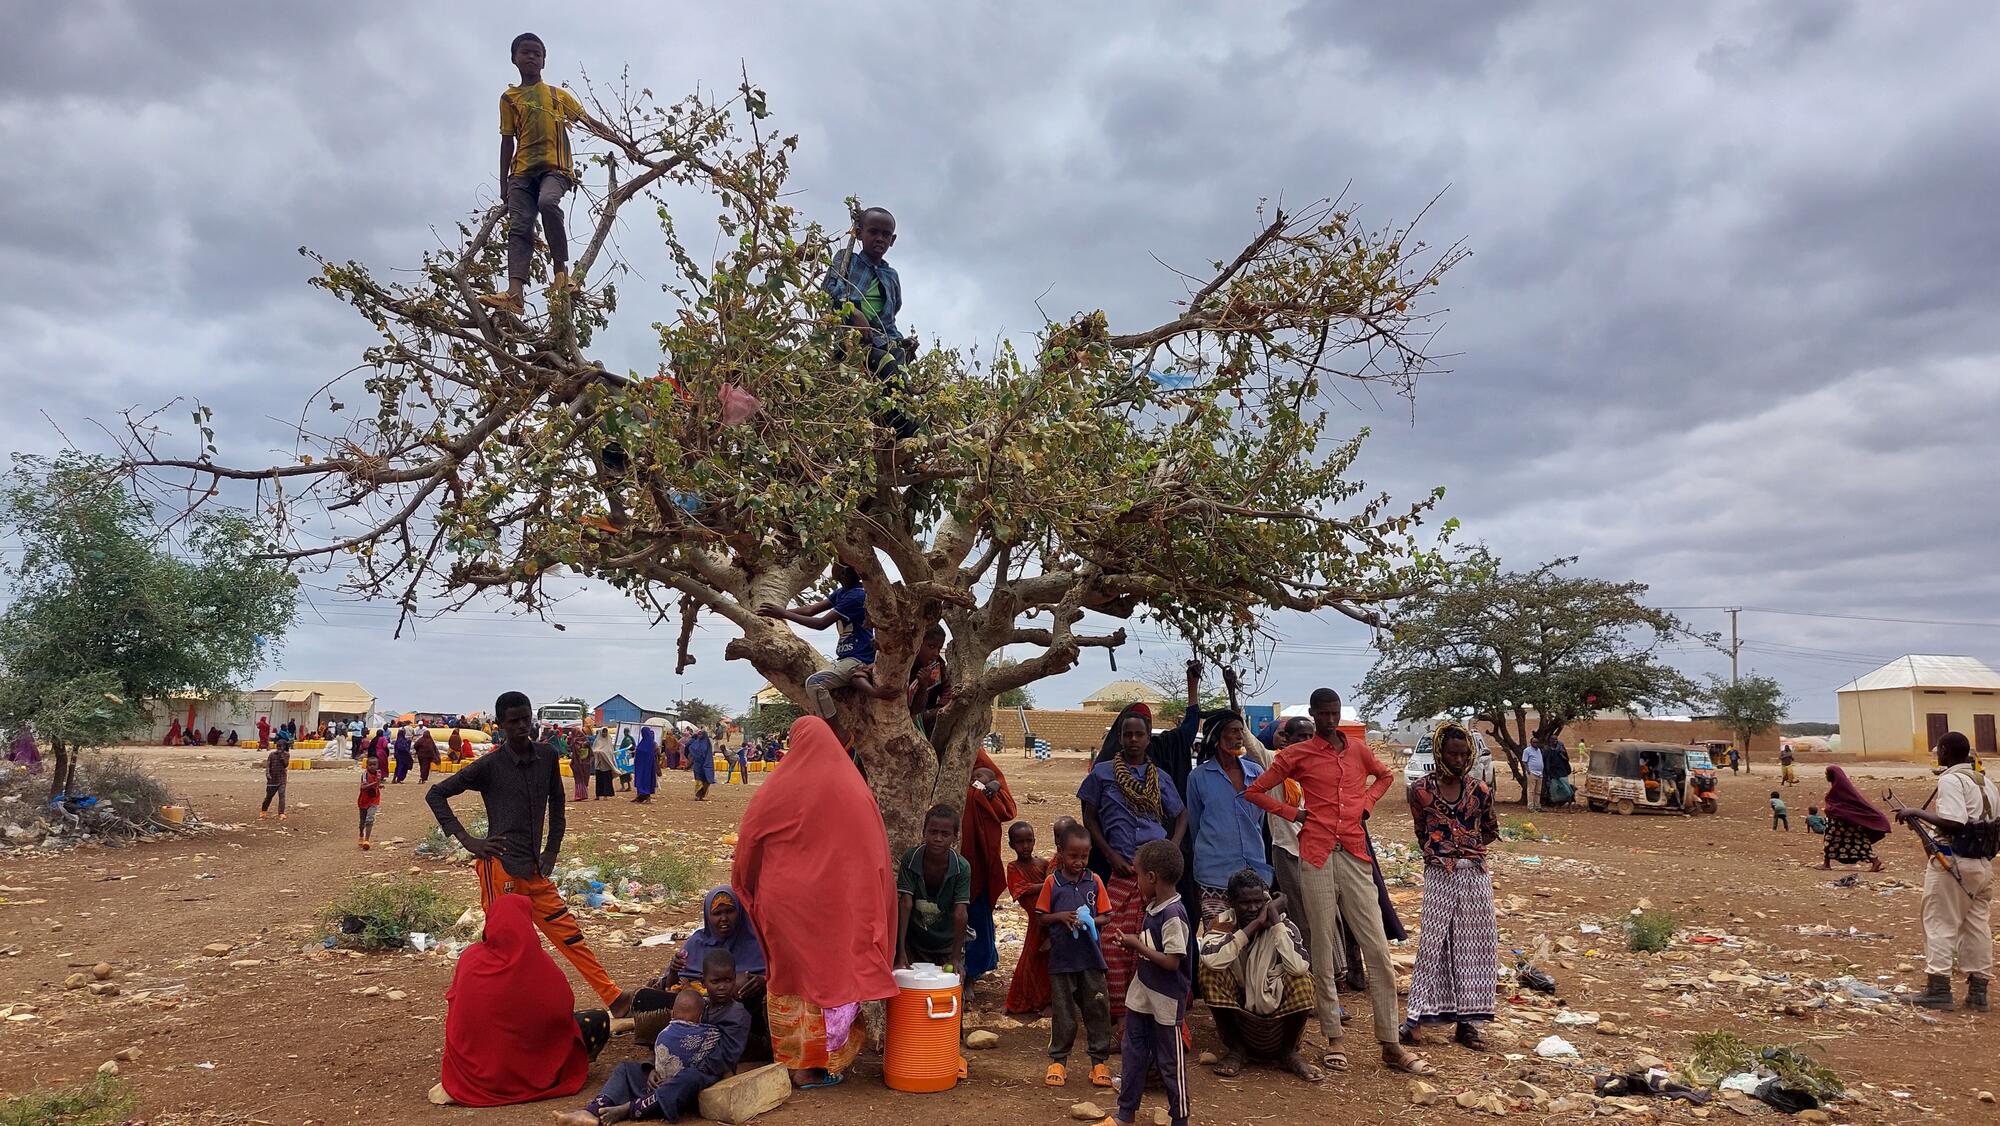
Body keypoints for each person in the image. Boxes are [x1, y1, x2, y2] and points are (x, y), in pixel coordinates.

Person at [1243, 688, 1431, 1077]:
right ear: (1313, 715)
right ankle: (1334, 1038)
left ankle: (1390, 1044)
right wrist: (1294, 813)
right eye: (1323, 715)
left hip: (1356, 856)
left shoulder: (1359, 750)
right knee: (1322, 946)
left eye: (1334, 713)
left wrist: (1366, 804)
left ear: (1338, 713)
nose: (1329, 720)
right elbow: (1255, 791)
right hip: (1315, 856)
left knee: (1377, 949)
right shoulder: (1297, 754)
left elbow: (1384, 775)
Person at [425, 690, 629, 1014]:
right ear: (501, 725)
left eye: (526, 718)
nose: (522, 726)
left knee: (569, 934)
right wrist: (468, 840)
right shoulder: (489, 766)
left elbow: (558, 803)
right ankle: (491, 1012)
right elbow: (436, 794)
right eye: (513, 721)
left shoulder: (546, 757)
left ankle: (614, 999)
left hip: (535, 869)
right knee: (504, 948)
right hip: (500, 870)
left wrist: (552, 851)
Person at [731, 716, 896, 1088]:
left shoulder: (778, 788)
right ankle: (826, 1064)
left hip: (784, 905)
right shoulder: (855, 790)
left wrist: (752, 887)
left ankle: (795, 1064)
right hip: (840, 908)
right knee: (834, 977)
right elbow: (875, 857)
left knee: (791, 979)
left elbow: (750, 844)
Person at [477, 33, 627, 317]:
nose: (531, 57)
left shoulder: (558, 96)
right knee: (520, 227)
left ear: (544, 61)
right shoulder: (509, 98)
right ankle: (514, 294)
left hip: (556, 170)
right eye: (526, 53)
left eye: (537, 54)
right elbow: (507, 141)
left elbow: (589, 123)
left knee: (547, 203)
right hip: (520, 173)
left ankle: (561, 274)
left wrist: (624, 144)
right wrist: (503, 186)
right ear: (514, 59)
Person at [434, 894, 611, 1108]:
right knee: (597, 1020)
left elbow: (457, 1006)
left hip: (474, 1075)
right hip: (533, 1068)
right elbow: (562, 1009)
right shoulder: (539, 963)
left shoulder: (470, 959)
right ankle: (548, 1069)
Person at [1079, 702, 1188, 1026]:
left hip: (1157, 874)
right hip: (1123, 870)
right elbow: (1089, 816)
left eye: (1139, 734)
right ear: (1120, 737)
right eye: (1127, 734)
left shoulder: (1160, 777)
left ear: (1147, 739)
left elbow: (1180, 814)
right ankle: (1117, 1016)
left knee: (1153, 943)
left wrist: (1171, 848)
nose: (1133, 740)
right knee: (1114, 945)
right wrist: (1111, 855)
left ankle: (1149, 1017)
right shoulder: (1102, 774)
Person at [1400, 723, 1500, 1051]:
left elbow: (1489, 830)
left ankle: (1467, 1025)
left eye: (1463, 753)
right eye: (1452, 753)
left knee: (1474, 948)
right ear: (1440, 752)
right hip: (1439, 874)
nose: (1458, 759)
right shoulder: (1420, 790)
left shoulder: (1480, 791)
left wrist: (1463, 850)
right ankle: (1414, 1021)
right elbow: (1420, 831)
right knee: (1433, 944)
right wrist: (1442, 854)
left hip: (1474, 874)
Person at [558, 955, 749, 1126]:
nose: (723, 986)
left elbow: (724, 1057)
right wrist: (655, 1067)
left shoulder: (737, 1014)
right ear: (704, 982)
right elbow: (672, 1039)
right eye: (716, 981)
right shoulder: (700, 1005)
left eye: (728, 980)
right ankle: (592, 1110)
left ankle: (630, 1109)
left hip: (707, 1076)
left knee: (685, 1080)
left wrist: (678, 1072)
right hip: (675, 1071)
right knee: (626, 1070)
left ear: (735, 979)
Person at [1890, 731, 2000, 1010]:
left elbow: (1955, 822)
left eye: (1939, 750)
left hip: (1953, 862)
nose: (1937, 754)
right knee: (1977, 926)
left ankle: (1938, 989)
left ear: (1946, 752)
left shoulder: (1950, 780)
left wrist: (1916, 812)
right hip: (1983, 865)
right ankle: (1978, 993)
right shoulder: (1987, 782)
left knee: (1940, 922)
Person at [1099, 839, 1192, 1126]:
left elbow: (1172, 961)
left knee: (1170, 1063)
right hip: (1142, 995)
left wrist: (1137, 946)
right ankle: (1125, 1113)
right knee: (1133, 1053)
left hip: (1165, 1000)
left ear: (1151, 877)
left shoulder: (1173, 915)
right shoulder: (1154, 907)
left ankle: (1180, 1118)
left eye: (1138, 875)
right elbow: (1155, 949)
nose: (1136, 881)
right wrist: (1135, 944)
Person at [1197, 868, 1320, 1082]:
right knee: (1208, 973)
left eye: (1258, 902)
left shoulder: (1282, 925)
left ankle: (1288, 1052)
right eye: (1245, 903)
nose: (1253, 908)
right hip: (1238, 1003)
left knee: (1303, 981)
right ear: (1231, 902)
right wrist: (1254, 926)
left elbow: (1299, 967)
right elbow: (1211, 960)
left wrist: (1274, 921)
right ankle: (1237, 1049)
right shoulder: (1222, 923)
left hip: (1273, 1004)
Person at [631, 887, 769, 1059]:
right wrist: (674, 970)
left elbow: (780, 979)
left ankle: (746, 1047)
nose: (724, 919)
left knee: (742, 988)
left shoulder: (757, 943)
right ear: (707, 916)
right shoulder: (696, 942)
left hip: (736, 1013)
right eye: (717, 913)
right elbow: (670, 986)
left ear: (740, 912)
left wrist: (764, 982)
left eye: (730, 911)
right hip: (695, 1010)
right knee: (644, 998)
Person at [758, 564, 901, 724]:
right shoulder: (843, 592)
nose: (832, 566)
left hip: (858, 658)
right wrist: (779, 613)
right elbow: (811, 610)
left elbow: (821, 623)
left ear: (843, 572)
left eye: (836, 564)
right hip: (847, 657)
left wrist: (784, 614)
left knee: (814, 683)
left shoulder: (856, 596)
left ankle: (834, 731)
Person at [822, 206, 918, 440]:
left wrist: (903, 344)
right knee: (888, 369)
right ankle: (906, 436)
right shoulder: (847, 260)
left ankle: (902, 436)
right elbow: (829, 291)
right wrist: (854, 313)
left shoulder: (891, 276)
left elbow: (891, 315)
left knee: (900, 384)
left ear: (892, 240)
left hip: (885, 339)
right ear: (858, 233)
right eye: (873, 232)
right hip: (853, 343)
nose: (879, 239)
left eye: (886, 235)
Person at [1036, 824, 1115, 1089]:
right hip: (1062, 961)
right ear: (1060, 853)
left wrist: (1091, 920)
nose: (1079, 862)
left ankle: (1099, 1062)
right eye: (1073, 856)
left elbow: (1107, 914)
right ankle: (1059, 1061)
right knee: (1063, 1012)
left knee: (1097, 1009)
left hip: (1091, 960)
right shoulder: (1052, 883)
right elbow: (1041, 917)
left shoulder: (1095, 881)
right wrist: (1061, 917)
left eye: (1084, 856)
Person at [1186, 710, 1273, 922]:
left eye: (1240, 732)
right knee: (1220, 942)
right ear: (1216, 737)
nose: (1239, 737)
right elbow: (1195, 825)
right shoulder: (1198, 777)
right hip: (1214, 874)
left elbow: (1259, 821)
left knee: (1257, 941)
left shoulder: (1256, 773)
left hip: (1254, 873)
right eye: (1233, 732)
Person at [962, 750, 1018, 990]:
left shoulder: (978, 758)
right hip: (941, 852)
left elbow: (1006, 808)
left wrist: (987, 789)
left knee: (974, 911)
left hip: (977, 856)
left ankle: (972, 973)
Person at [896, 804, 972, 971]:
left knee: (948, 990)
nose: (938, 838)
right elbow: (905, 903)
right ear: (924, 832)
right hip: (914, 943)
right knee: (911, 991)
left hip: (947, 944)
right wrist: (899, 951)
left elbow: (960, 913)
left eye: (945, 834)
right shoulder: (911, 859)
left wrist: (955, 957)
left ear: (955, 837)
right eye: (933, 832)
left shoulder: (961, 867)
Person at [1004, 821, 1053, 1015]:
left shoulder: (1043, 864)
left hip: (1051, 918)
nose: (1025, 846)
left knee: (1050, 963)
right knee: (1029, 961)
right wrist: (1047, 885)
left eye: (1029, 841)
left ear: (1034, 841)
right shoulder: (1013, 867)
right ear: (1011, 845)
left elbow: (1056, 882)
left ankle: (1049, 1002)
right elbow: (1019, 890)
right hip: (1036, 921)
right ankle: (1017, 1002)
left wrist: (1044, 885)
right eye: (1020, 842)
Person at [1820, 765, 1889, 871]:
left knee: (1831, 840)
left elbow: (1843, 806)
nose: (1825, 776)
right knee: (1857, 841)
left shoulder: (1840, 790)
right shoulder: (1840, 788)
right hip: (1844, 821)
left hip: (1841, 822)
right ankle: (1874, 860)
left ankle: (1826, 864)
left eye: (1826, 774)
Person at [909, 622, 953, 738]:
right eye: (931, 646)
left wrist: (940, 709)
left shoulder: (937, 665)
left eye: (939, 648)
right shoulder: (904, 666)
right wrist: (923, 685)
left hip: (929, 713)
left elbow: (947, 688)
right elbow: (914, 710)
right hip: (910, 717)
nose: (935, 653)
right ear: (917, 643)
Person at [357, 753, 383, 850]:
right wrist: (375, 783)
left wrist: (379, 785)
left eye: (374, 765)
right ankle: (361, 835)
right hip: (363, 800)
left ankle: (367, 840)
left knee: (370, 819)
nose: (372, 767)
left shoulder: (378, 774)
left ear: (377, 765)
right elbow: (363, 786)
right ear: (366, 765)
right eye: (370, 765)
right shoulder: (365, 774)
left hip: (374, 800)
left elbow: (377, 784)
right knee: (362, 822)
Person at [260, 738, 289, 821]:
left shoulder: (286, 755)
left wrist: (281, 756)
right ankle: (263, 810)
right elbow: (268, 765)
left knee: (282, 795)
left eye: (281, 747)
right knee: (269, 796)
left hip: (282, 778)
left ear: (284, 747)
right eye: (278, 746)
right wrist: (267, 774)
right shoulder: (272, 754)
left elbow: (285, 765)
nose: (279, 748)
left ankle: (281, 813)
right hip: (272, 779)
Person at [686, 727, 715, 800]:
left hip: (705, 764)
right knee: (699, 780)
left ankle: (701, 795)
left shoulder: (706, 743)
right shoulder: (697, 743)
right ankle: (698, 795)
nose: (699, 736)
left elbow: (707, 753)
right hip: (699, 764)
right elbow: (691, 749)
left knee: (706, 780)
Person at [633, 724, 659, 804]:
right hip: (641, 766)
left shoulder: (649, 744)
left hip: (646, 767)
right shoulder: (644, 743)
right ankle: (639, 797)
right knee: (640, 780)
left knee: (645, 781)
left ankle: (647, 798)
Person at [1521, 734, 1544, 813]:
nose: (1536, 744)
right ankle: (1530, 807)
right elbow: (1524, 761)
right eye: (1534, 742)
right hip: (1532, 773)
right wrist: (1528, 771)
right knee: (1531, 791)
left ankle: (1537, 806)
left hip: (1539, 773)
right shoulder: (1527, 750)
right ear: (1531, 743)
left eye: (1537, 742)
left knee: (1538, 791)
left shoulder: (1539, 750)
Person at [592, 728, 617, 799]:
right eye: (603, 733)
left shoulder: (609, 741)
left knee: (607, 780)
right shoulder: (597, 741)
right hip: (599, 764)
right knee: (599, 780)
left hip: (607, 764)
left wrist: (606, 754)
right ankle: (598, 795)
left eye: (606, 733)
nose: (604, 734)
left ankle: (606, 795)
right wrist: (600, 752)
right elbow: (594, 750)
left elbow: (611, 752)